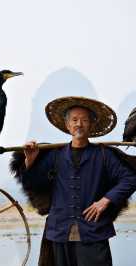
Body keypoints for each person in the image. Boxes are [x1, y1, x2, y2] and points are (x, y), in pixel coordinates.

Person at [11, 96, 136, 266]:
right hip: (59, 232)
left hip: (94, 232)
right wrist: (30, 160)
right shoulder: (56, 155)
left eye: (84, 120)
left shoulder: (103, 155)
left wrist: (106, 200)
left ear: (91, 124)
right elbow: (33, 183)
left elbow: (130, 179)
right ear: (67, 125)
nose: (79, 124)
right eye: (74, 120)